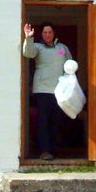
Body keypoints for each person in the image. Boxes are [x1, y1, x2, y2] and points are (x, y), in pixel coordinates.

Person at [22, 21, 72, 161]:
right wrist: (28, 38)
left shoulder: (62, 48)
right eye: (45, 32)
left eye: (50, 32)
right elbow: (28, 53)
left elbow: (70, 65)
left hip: (59, 90)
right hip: (42, 90)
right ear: (41, 34)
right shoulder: (37, 47)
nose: (47, 35)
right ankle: (44, 151)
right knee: (43, 121)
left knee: (56, 121)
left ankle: (54, 149)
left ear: (54, 33)